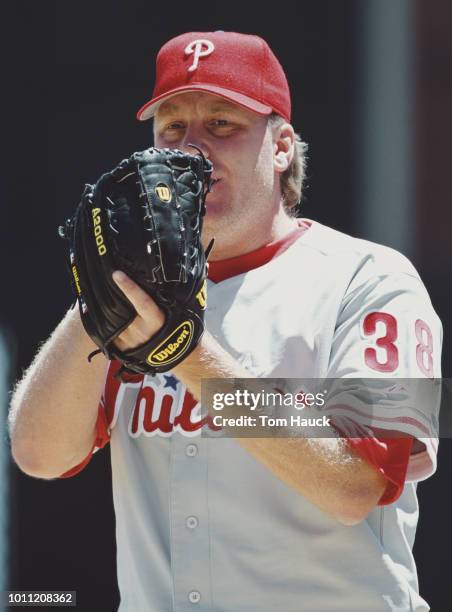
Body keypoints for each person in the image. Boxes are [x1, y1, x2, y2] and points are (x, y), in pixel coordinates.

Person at [9, 31, 442, 611]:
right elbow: (39, 454)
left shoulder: (369, 280)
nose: (191, 150)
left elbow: (354, 486)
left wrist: (188, 357)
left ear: (282, 145)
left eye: (221, 125)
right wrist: (99, 296)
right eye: (172, 128)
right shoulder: (132, 291)